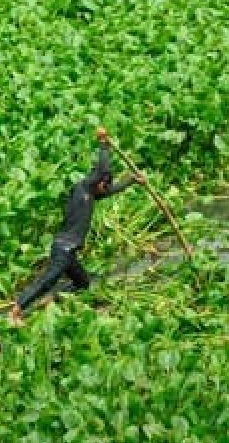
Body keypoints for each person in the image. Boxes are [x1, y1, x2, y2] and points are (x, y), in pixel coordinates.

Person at [9, 128, 144, 325]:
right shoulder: (83, 187)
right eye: (103, 184)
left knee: (82, 283)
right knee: (48, 279)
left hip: (70, 251)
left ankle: (51, 301)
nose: (104, 188)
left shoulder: (91, 195)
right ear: (97, 181)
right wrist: (104, 146)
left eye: (105, 186)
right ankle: (17, 309)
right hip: (63, 247)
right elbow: (102, 170)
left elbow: (112, 189)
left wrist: (133, 180)